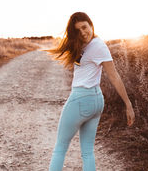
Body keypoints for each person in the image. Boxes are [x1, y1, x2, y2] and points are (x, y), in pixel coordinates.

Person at [46, 12, 135, 171]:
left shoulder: (99, 46)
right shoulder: (85, 44)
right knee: (87, 152)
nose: (83, 33)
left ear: (91, 24)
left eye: (84, 27)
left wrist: (128, 104)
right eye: (78, 31)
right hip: (96, 101)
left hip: (81, 99)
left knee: (60, 147)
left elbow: (114, 76)